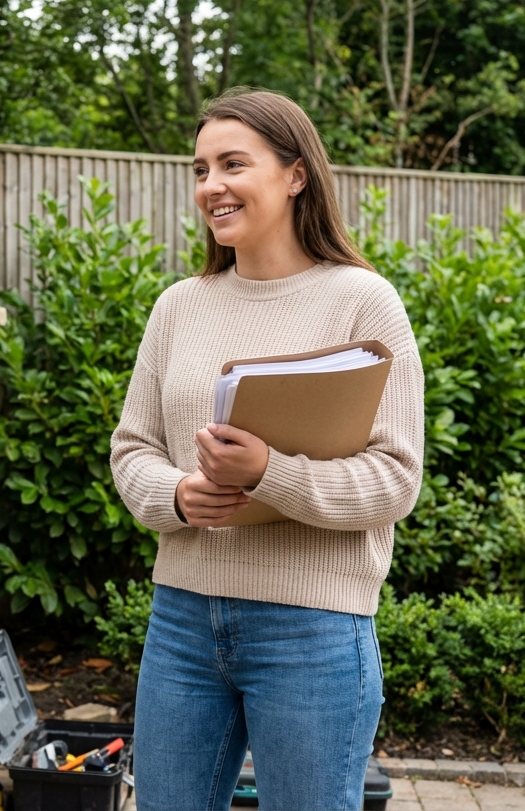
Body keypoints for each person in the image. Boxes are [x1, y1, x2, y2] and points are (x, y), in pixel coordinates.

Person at [110, 88, 424, 810]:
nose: (211, 186)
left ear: (295, 175)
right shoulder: (178, 306)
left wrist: (267, 473)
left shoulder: (363, 301)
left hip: (313, 630)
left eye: (232, 164)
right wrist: (179, 496)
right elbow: (132, 449)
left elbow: (394, 478)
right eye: (200, 170)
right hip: (182, 621)